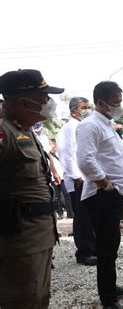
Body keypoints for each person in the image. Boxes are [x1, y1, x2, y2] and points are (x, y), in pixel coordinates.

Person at [0, 69, 63, 308]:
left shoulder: (23, 128)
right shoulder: (4, 130)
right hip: (18, 241)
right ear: (25, 101)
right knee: (22, 301)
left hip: (36, 236)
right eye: (44, 96)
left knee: (37, 298)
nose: (49, 102)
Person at [76, 81, 123, 308]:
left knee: (111, 245)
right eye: (115, 103)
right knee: (106, 247)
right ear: (100, 102)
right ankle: (108, 299)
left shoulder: (107, 123)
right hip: (103, 194)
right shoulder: (90, 125)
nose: (119, 106)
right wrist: (104, 183)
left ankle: (111, 287)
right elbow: (85, 159)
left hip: (113, 192)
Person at [56, 96, 97, 266]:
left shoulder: (85, 125)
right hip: (78, 180)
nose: (87, 109)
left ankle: (93, 248)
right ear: (73, 111)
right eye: (83, 107)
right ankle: (84, 253)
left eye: (88, 106)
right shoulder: (69, 128)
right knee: (82, 217)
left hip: (89, 178)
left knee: (92, 216)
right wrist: (77, 176)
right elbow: (67, 155)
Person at [50, 138, 74, 219]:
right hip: (54, 178)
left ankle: (70, 213)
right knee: (57, 197)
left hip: (63, 177)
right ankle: (59, 213)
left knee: (67, 195)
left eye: (52, 144)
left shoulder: (61, 153)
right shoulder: (48, 155)